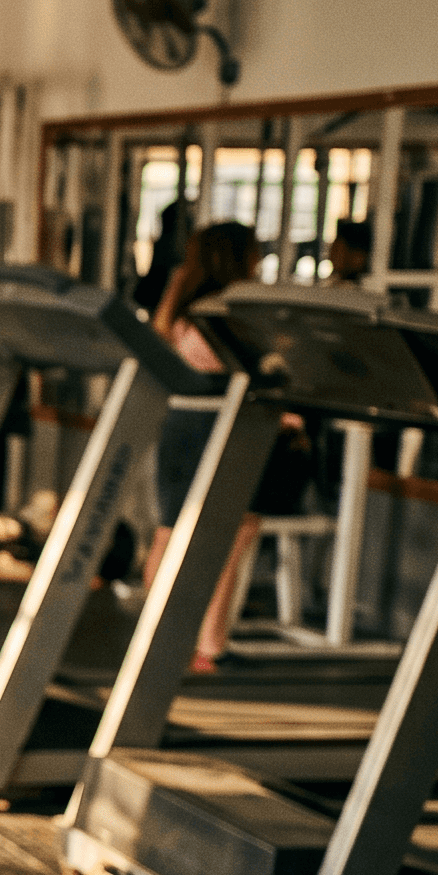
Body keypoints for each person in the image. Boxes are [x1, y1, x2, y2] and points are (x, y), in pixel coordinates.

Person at [145, 221, 307, 670]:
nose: (259, 259)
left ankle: (159, 635)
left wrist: (179, 281)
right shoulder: (229, 310)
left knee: (171, 532)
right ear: (238, 257)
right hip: (223, 425)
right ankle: (209, 645)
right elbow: (252, 371)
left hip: (181, 424)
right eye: (254, 252)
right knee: (231, 535)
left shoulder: (184, 306)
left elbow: (160, 339)